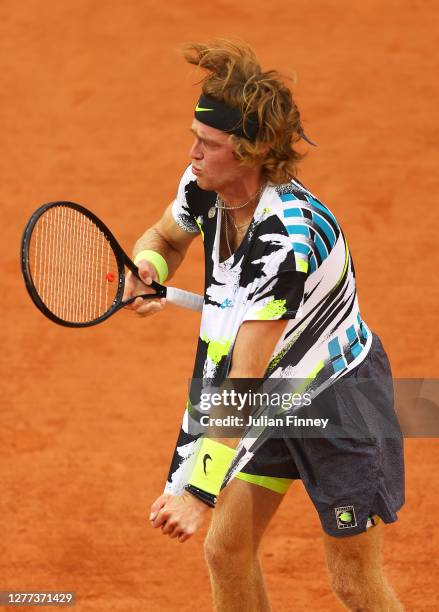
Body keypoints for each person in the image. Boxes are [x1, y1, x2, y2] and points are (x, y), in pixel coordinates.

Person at [124, 40, 405, 611]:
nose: (193, 153)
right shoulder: (204, 188)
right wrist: (148, 266)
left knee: (353, 584)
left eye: (209, 144)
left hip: (340, 399)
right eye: (195, 139)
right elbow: (163, 238)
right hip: (275, 392)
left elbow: (244, 377)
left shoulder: (286, 242)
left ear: (251, 152)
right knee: (226, 553)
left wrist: (200, 491)